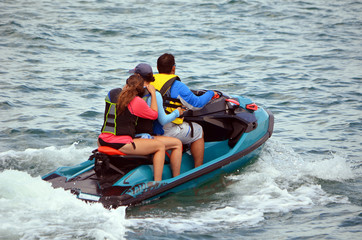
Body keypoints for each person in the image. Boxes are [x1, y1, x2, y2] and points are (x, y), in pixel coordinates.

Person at [151, 53, 216, 168]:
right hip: (166, 130)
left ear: (157, 68)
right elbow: (197, 104)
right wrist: (210, 93)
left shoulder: (149, 83)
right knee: (198, 130)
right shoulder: (177, 85)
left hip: (150, 128)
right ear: (173, 68)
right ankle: (198, 169)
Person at [97, 74, 166, 181]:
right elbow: (154, 115)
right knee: (160, 147)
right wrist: (153, 93)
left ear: (126, 84)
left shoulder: (111, 93)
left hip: (101, 141)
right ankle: (157, 183)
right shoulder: (137, 101)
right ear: (140, 89)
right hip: (122, 144)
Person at [129, 63, 184, 177]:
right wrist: (177, 112)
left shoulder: (129, 93)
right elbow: (163, 120)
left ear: (138, 76)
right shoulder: (154, 94)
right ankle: (176, 178)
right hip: (146, 136)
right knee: (177, 144)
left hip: (130, 134)